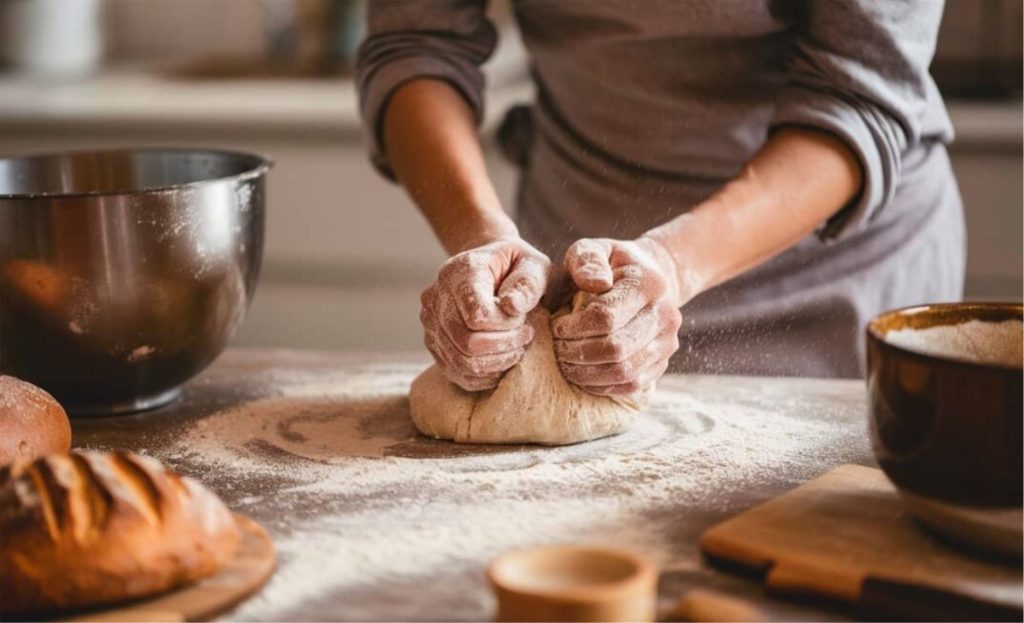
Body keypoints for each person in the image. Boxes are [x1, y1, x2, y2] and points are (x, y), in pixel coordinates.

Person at [355, 1, 964, 395]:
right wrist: (482, 237)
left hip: (834, 270)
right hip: (576, 279)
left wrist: (675, 261)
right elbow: (417, 42)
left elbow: (858, 93)